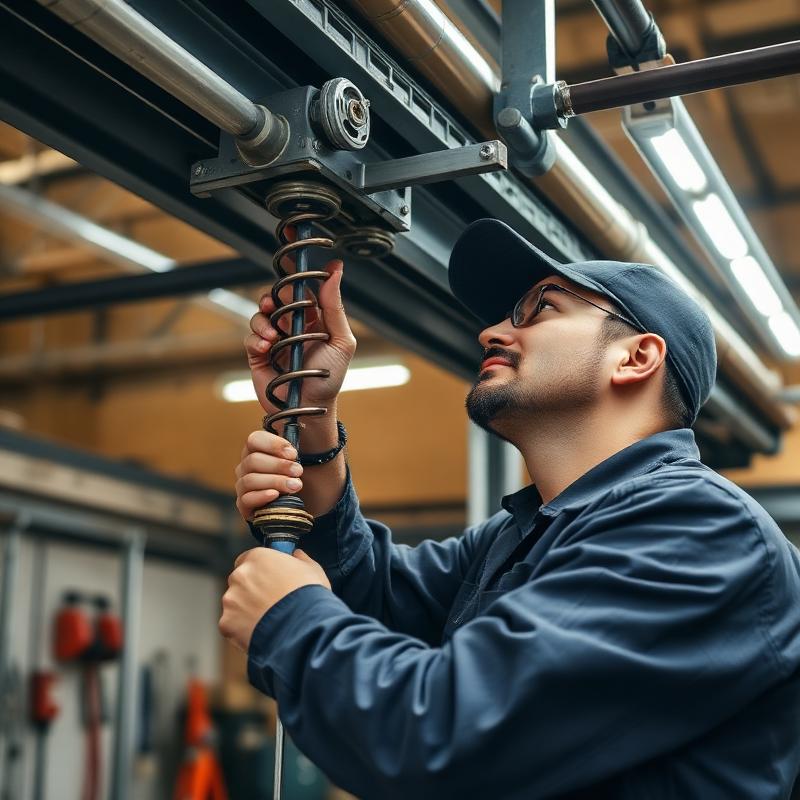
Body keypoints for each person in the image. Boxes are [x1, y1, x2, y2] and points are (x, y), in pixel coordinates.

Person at [220, 218, 800, 799]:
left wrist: (288, 618)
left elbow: (442, 741)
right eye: (504, 315)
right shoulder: (526, 533)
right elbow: (376, 602)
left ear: (635, 357)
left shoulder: (698, 531)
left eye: (541, 308)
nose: (492, 333)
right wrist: (315, 434)